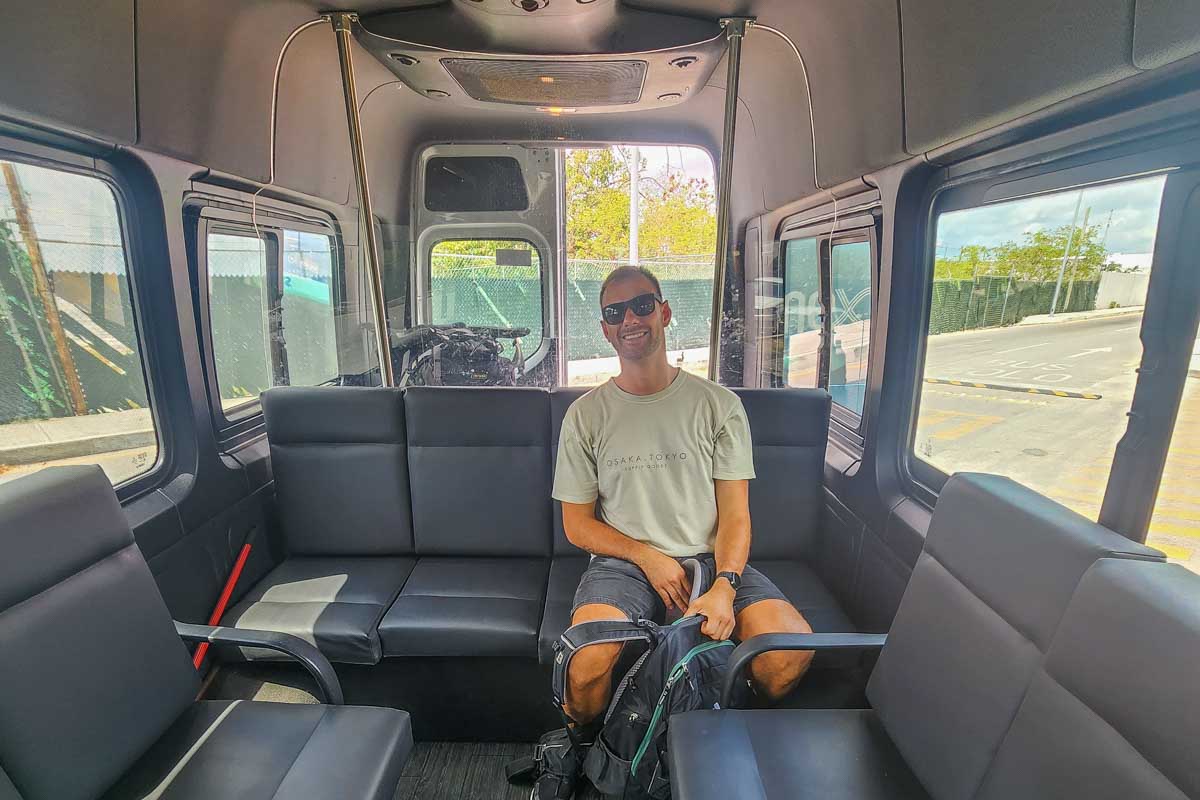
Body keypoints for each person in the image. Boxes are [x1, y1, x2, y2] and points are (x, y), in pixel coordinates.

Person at [553, 265, 815, 729]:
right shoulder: (585, 415)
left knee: (787, 652)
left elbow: (735, 516)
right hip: (624, 566)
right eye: (615, 312)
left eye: (642, 305)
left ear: (665, 312)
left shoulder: (718, 405)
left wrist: (725, 585)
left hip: (712, 561)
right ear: (605, 330)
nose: (630, 319)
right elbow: (578, 525)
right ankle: (587, 742)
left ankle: (720, 729)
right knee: (586, 662)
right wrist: (648, 557)